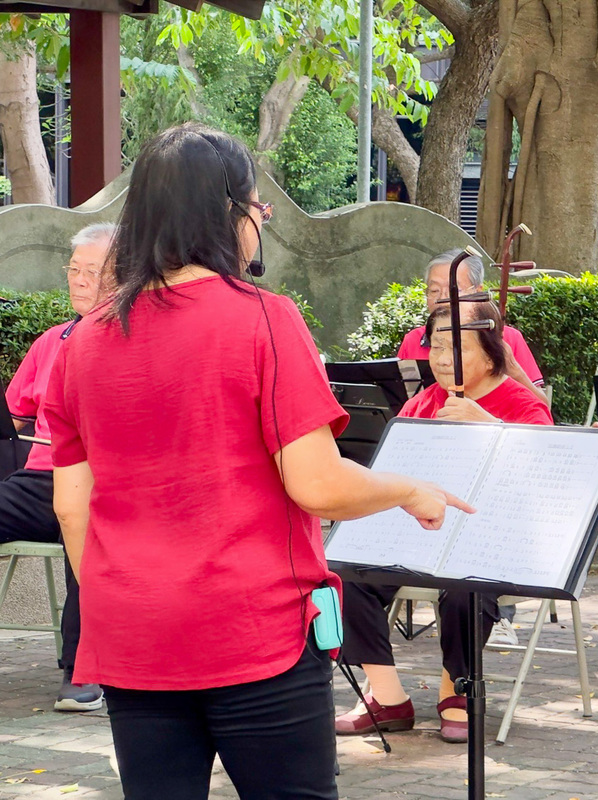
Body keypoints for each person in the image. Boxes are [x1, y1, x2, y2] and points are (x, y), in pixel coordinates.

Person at [43, 123, 469, 800]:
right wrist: (409, 489)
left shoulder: (80, 343)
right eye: (256, 208)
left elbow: (71, 505)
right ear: (230, 214)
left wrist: (123, 602)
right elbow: (318, 484)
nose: (257, 224)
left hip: (132, 636)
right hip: (252, 633)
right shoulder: (264, 319)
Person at [337, 300, 551, 743]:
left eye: (458, 349)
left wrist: (488, 423)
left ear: (491, 351)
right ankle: (387, 695)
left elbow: (542, 477)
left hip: (491, 535)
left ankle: (457, 691)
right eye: (435, 347)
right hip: (421, 530)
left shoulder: (521, 401)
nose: (443, 359)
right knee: (342, 574)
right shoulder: (423, 402)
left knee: (463, 589)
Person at [2, 223, 115, 712]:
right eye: (73, 269)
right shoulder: (52, 339)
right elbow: (15, 414)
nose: (78, 280)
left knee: (86, 527)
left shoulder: (127, 334)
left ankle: (83, 672)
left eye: (92, 271)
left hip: (105, 483)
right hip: (39, 480)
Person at [398, 250, 547, 407]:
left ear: (477, 292)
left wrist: (513, 370)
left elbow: (542, 409)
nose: (442, 298)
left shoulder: (507, 337)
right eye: (434, 290)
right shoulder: (414, 339)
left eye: (453, 290)